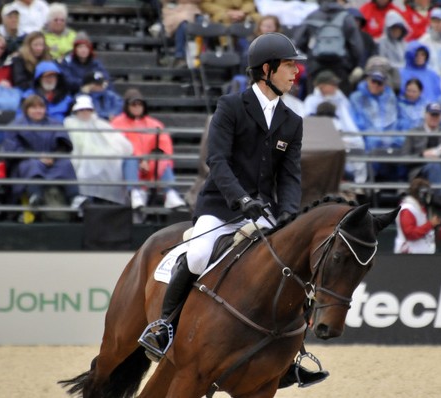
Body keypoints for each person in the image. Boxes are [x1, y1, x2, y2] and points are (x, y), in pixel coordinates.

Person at [138, 32, 330, 388]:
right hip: (222, 206)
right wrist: (241, 200)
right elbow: (217, 161)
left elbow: (290, 177)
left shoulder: (292, 121)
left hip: (267, 211)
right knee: (197, 255)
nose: (296, 71)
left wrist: (288, 216)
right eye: (289, 65)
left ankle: (292, 353)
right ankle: (163, 326)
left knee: (292, 267)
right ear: (267, 69)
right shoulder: (230, 106)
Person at [1, 94, 82, 215]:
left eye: (41, 107)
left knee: (65, 163)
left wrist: (53, 156)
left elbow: (64, 145)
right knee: (31, 165)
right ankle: (34, 196)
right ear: (26, 109)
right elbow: (12, 149)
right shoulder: (16, 125)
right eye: (33, 107)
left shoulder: (55, 124)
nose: (38, 111)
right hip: (26, 160)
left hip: (53, 161)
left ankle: (75, 198)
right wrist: (37, 156)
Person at [110, 89, 186, 211]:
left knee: (162, 160)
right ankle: (134, 192)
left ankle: (171, 193)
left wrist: (149, 160)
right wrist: (140, 160)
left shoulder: (155, 124)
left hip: (151, 167)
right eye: (133, 104)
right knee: (130, 159)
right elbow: (119, 146)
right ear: (126, 106)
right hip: (127, 167)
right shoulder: (116, 123)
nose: (137, 107)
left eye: (139, 104)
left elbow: (164, 146)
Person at [64, 95, 134, 205]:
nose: (85, 112)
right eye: (82, 110)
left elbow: (121, 143)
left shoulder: (100, 124)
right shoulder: (69, 124)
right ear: (75, 111)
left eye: (88, 109)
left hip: (105, 163)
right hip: (80, 164)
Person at [293, 0, 365, 95]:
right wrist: (352, 65)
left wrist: (311, 54)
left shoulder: (312, 16)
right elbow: (357, 48)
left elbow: (298, 41)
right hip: (340, 66)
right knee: (340, 101)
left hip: (316, 66)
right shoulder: (347, 17)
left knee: (314, 99)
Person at [393, 177, 441, 254]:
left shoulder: (424, 208)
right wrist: (430, 224)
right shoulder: (407, 209)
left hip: (424, 255)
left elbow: (430, 235)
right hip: (409, 256)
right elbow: (410, 234)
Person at [158, 0, 202, 69]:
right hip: (173, 11)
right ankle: (180, 57)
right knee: (183, 24)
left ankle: (203, 56)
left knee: (202, 23)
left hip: (193, 11)